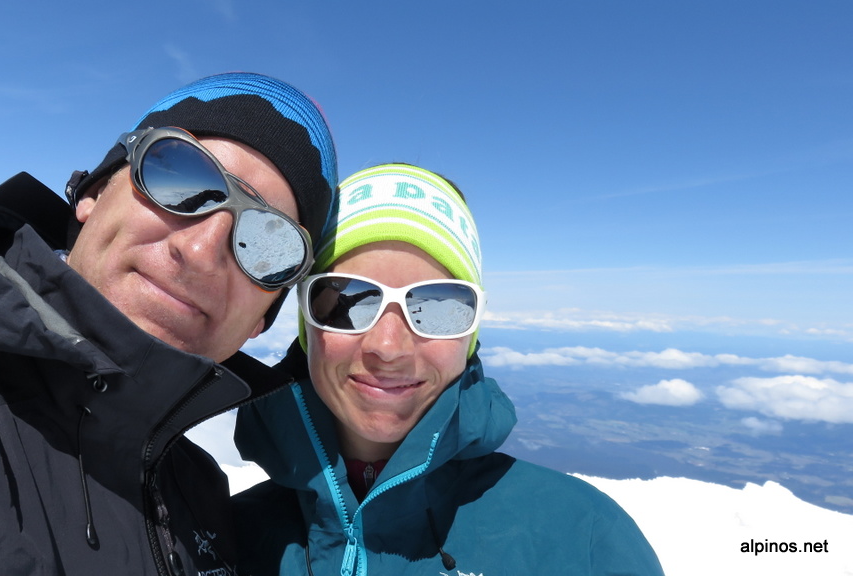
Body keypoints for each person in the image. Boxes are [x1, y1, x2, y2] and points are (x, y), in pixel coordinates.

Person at [0, 72, 338, 576]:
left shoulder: (199, 493)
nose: (202, 251)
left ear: (262, 317)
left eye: (271, 244)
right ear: (92, 193)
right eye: (179, 179)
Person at [232, 164, 664, 575]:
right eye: (346, 302)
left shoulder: (585, 542)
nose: (388, 347)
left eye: (437, 307)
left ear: (471, 334)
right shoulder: (218, 539)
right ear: (307, 325)